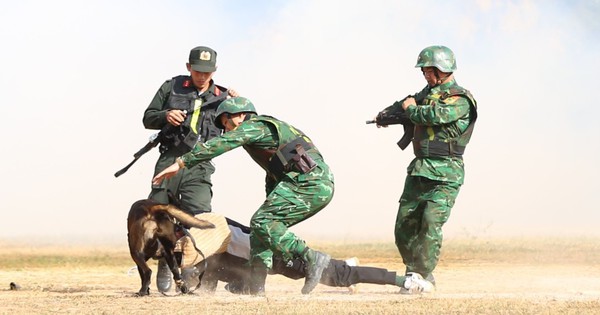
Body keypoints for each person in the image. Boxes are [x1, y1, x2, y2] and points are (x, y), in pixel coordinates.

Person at [153, 97, 334, 295]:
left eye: (225, 123)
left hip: (310, 183)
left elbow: (223, 143)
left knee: (261, 222)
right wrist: (269, 204)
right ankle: (256, 288)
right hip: (306, 182)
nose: (227, 130)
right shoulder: (265, 134)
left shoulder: (255, 126)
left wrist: (181, 163)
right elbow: (273, 174)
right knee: (260, 231)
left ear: (239, 116)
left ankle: (312, 258)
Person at [374, 45, 478, 294]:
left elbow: (432, 115)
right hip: (420, 169)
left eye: (428, 70)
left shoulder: (461, 99)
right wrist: (388, 114)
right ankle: (415, 273)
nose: (425, 75)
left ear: (442, 69)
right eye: (423, 71)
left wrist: (410, 110)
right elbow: (407, 103)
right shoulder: (427, 93)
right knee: (404, 226)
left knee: (431, 222)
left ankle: (422, 275)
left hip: (447, 173)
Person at [142, 46, 237, 292]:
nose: (202, 76)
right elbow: (147, 118)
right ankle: (165, 260)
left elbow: (241, 127)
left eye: (207, 72)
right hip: (169, 157)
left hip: (200, 164)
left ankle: (194, 270)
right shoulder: (171, 87)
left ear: (214, 70)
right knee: (159, 212)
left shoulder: (223, 96)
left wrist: (239, 104)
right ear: (188, 67)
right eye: (197, 71)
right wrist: (165, 115)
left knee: (200, 216)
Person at [178, 215, 428, 295]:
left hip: (284, 255)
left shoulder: (213, 229)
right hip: (267, 263)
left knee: (341, 275)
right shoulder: (209, 247)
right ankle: (344, 263)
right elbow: (206, 279)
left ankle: (405, 281)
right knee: (232, 281)